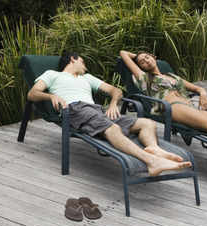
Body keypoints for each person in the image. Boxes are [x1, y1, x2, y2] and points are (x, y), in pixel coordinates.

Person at [27, 52, 192, 177]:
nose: (85, 66)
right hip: (75, 109)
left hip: (97, 110)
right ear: (72, 59)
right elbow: (32, 94)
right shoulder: (52, 74)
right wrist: (52, 96)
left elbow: (116, 90)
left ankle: (155, 149)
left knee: (147, 123)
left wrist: (113, 104)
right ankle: (151, 161)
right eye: (82, 62)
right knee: (112, 128)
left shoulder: (87, 78)